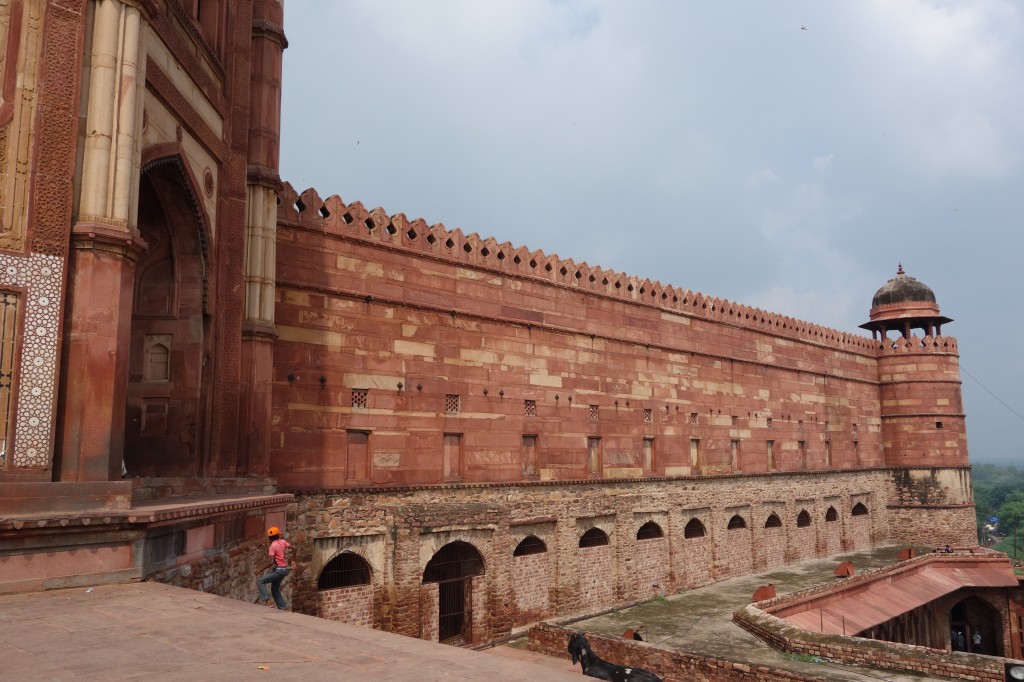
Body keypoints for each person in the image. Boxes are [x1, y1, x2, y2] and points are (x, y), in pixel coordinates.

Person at [255, 526, 293, 609]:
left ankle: (268, 601)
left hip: (279, 570)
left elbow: (271, 562)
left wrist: (259, 569)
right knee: (275, 589)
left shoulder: (272, 546)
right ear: (278, 535)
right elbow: (294, 548)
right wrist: (294, 560)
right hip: (284, 569)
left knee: (260, 581)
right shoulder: (283, 542)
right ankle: (283, 607)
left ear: (269, 538)